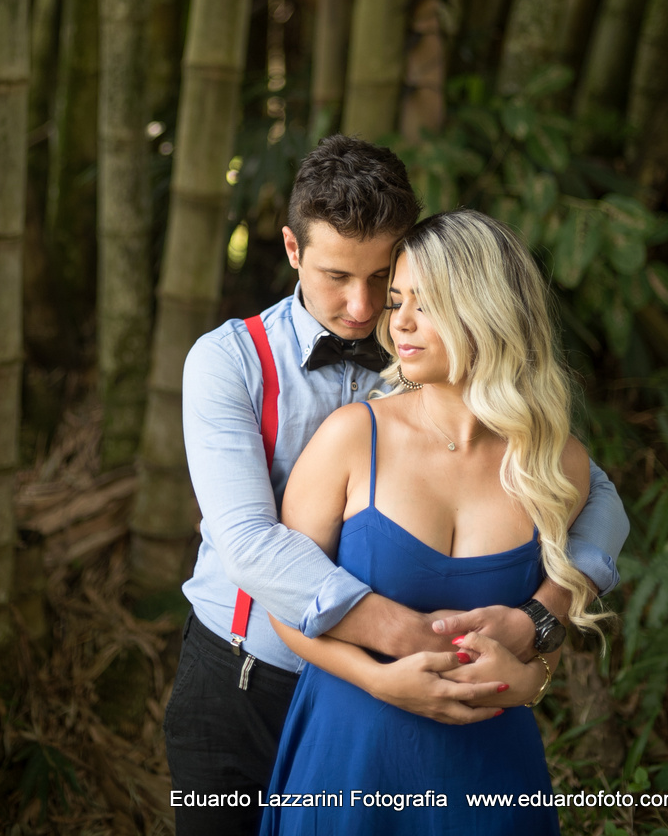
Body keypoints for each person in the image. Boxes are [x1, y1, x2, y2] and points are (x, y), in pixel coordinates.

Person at [163, 136, 628, 836]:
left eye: (385, 279)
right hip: (244, 681)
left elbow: (596, 498)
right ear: (291, 250)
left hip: (408, 714)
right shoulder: (230, 363)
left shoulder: (431, 357)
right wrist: (411, 642)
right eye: (334, 276)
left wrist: (537, 620)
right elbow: (251, 545)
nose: (362, 308)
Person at [259, 210, 606, 834]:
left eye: (429, 303)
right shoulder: (352, 438)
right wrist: (380, 680)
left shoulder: (557, 465)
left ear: (489, 310)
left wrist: (531, 679)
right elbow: (285, 608)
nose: (402, 323)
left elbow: (550, 626)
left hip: (492, 778)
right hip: (350, 766)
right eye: (398, 301)